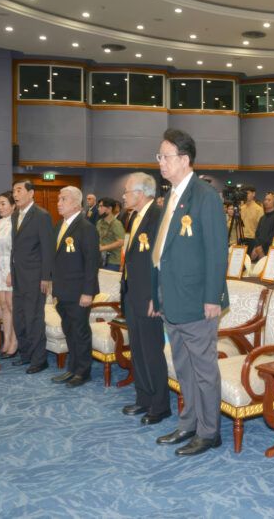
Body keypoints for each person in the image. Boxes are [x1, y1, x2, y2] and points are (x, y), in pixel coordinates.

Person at [152, 129, 228, 457]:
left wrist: (212, 297)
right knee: (183, 367)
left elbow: (217, 251)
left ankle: (209, 432)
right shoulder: (171, 196)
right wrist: (157, 293)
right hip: (172, 298)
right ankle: (189, 423)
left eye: (166, 156)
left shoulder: (205, 195)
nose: (160, 162)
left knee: (203, 370)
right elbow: (163, 252)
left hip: (197, 300)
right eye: (159, 156)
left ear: (184, 160)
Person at [120, 172, 171, 424]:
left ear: (140, 194)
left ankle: (160, 405)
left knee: (151, 352)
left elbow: (163, 260)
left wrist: (156, 296)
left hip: (148, 296)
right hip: (133, 293)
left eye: (127, 192)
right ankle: (144, 398)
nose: (123, 196)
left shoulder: (157, 216)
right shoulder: (135, 216)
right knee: (137, 350)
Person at [51, 186, 99, 388]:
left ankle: (83, 372)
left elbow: (92, 262)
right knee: (69, 331)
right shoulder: (59, 226)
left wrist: (88, 292)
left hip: (79, 292)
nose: (59, 203)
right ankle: (72, 368)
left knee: (80, 332)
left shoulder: (86, 227)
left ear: (76, 203)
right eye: (59, 199)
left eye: (64, 199)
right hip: (62, 291)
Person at [10, 180, 55, 373]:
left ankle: (39, 360)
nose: (15, 194)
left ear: (31, 193)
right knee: (19, 317)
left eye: (19, 190)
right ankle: (26, 354)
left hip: (35, 277)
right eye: (14, 191)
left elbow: (47, 248)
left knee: (34, 318)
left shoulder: (41, 216)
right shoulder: (15, 215)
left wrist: (46, 277)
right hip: (18, 275)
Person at [0, 191, 16, 359]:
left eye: (3, 204)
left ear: (13, 205)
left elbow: (17, 250)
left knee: (12, 306)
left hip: (11, 268)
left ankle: (15, 342)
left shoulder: (16, 222)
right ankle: (6, 341)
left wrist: (12, 272)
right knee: (3, 306)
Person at [96, 197, 125, 272]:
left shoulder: (116, 224)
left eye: (101, 206)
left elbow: (121, 242)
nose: (98, 209)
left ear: (109, 209)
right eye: (98, 206)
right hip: (100, 259)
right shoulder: (99, 222)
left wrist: (103, 248)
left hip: (112, 262)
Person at [239, 185, 263, 251]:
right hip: (241, 239)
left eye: (247, 193)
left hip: (252, 240)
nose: (245, 195)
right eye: (244, 193)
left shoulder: (259, 209)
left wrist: (257, 245)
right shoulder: (241, 208)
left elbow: (261, 229)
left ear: (253, 194)